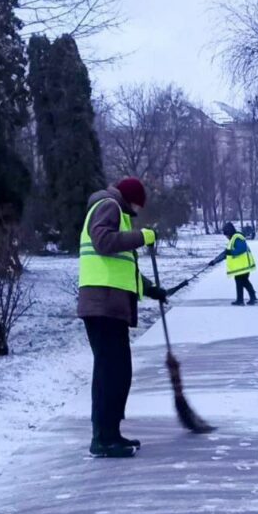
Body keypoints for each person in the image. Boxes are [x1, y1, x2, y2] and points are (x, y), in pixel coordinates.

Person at [77, 177, 172, 458]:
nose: (134, 215)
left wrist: (151, 289)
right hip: (102, 305)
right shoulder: (108, 206)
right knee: (111, 373)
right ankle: (103, 438)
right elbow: (103, 241)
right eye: (134, 208)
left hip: (109, 305)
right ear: (129, 198)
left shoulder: (117, 212)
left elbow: (122, 266)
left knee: (117, 372)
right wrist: (143, 237)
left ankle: (110, 433)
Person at [219, 222, 257, 305]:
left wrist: (231, 252)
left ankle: (241, 300)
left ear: (229, 232)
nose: (226, 237)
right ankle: (251, 297)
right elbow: (226, 253)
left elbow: (241, 249)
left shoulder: (237, 238)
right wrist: (214, 261)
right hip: (241, 267)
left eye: (226, 235)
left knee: (241, 282)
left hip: (244, 266)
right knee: (244, 282)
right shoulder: (233, 239)